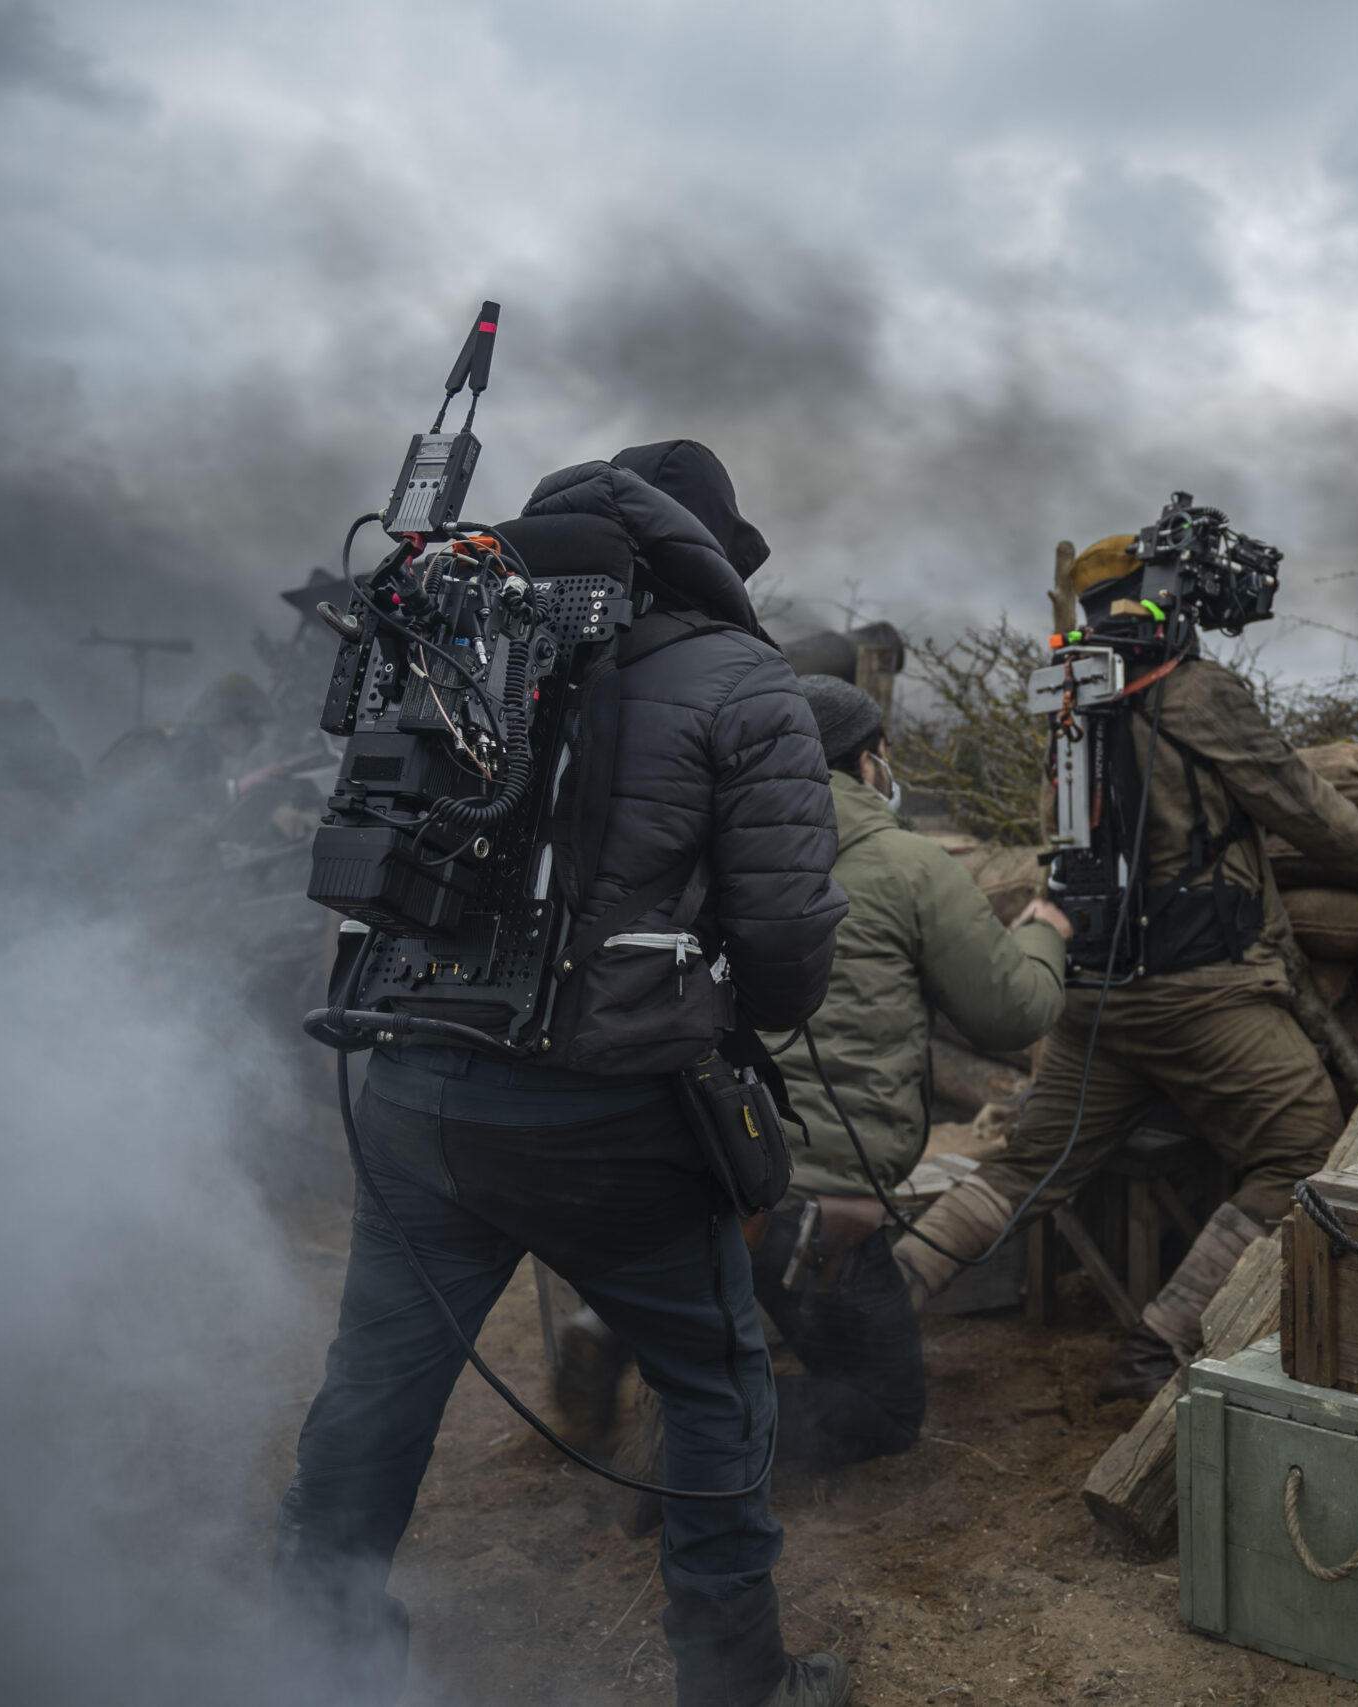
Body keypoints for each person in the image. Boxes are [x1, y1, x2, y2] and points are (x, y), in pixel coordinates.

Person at [269, 439, 855, 1707]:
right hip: (615, 1123)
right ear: (704, 552)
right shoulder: (741, 678)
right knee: (717, 1389)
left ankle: (316, 1665)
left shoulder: (450, 635)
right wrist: (729, 1017)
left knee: (372, 1394)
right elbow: (788, 934)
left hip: (414, 1090)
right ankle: (739, 1682)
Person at [892, 533, 1358, 1402]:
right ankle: (1161, 1346)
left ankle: (883, 1295)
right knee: (1309, 1151)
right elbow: (1295, 798)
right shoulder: (1197, 690)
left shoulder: (1070, 693)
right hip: (1202, 995)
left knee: (1028, 1168)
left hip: (1090, 997)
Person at [755, 673, 1070, 1463]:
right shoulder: (908, 865)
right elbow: (1013, 1011)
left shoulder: (734, 853)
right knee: (884, 1405)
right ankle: (705, 1430)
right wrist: (1045, 933)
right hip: (818, 1207)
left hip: (723, 1180)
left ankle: (671, 1380)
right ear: (867, 763)